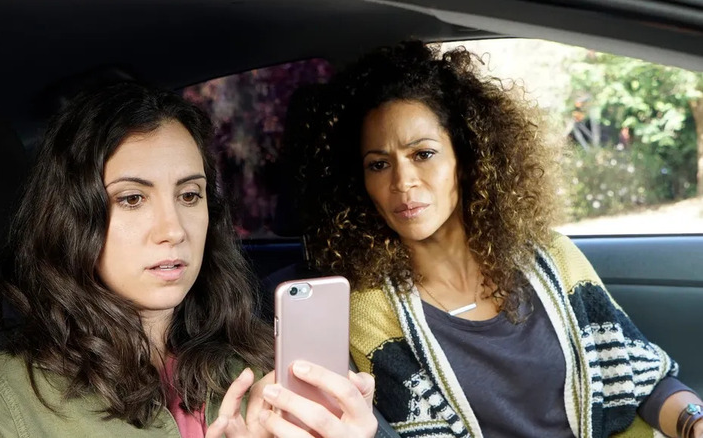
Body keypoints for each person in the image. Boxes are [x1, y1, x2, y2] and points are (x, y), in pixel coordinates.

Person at [297, 41, 703, 438]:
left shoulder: (551, 255)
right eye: (379, 164)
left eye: (423, 154)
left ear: (466, 157)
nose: (402, 182)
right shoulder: (369, 310)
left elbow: (645, 380)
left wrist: (694, 422)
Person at [0, 82, 377, 438]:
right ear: (70, 219)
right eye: (133, 198)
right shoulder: (9, 399)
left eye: (190, 195)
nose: (173, 229)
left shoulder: (263, 369)